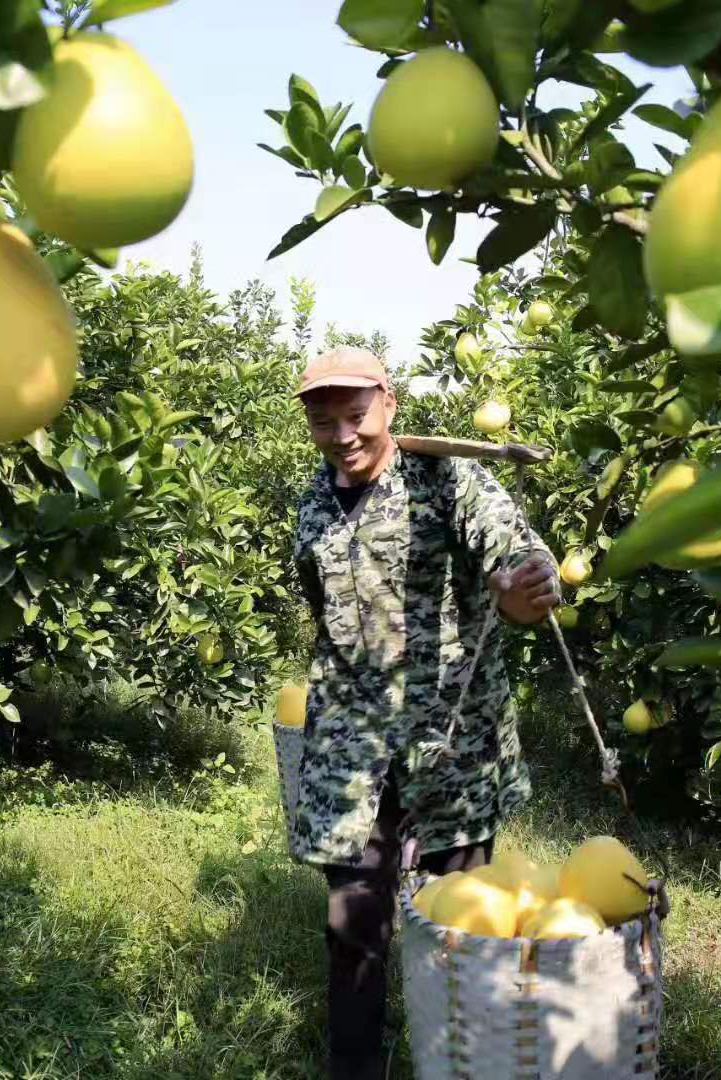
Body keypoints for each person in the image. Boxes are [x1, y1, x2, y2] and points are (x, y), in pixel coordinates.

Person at [288, 346, 561, 1079]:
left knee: (461, 920)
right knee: (353, 921)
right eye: (324, 421)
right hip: (352, 742)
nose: (343, 435)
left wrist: (520, 586)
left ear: (389, 402)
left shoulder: (449, 479)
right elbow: (322, 613)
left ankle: (467, 1060)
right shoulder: (313, 501)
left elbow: (510, 553)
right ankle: (355, 1066)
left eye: (356, 416)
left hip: (452, 741)